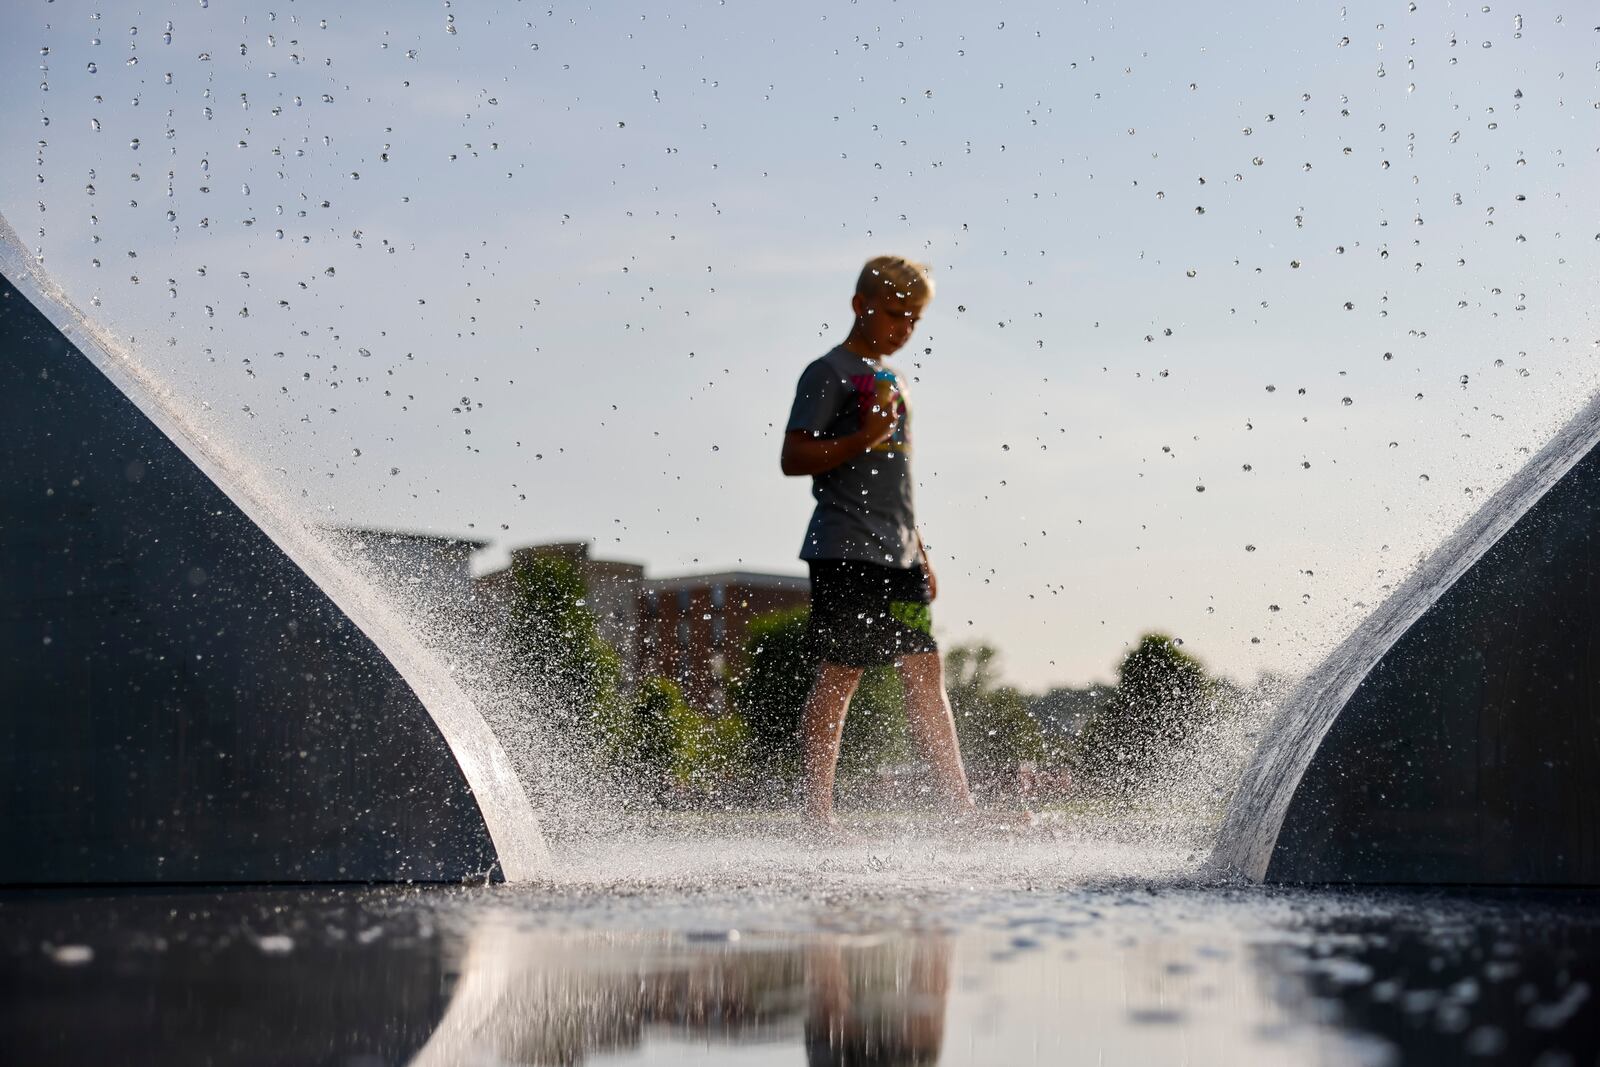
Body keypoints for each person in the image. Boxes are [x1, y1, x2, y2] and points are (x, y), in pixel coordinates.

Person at [781, 254, 977, 831]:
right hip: (845, 550)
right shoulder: (829, 374)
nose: (904, 330)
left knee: (926, 668)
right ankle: (817, 815)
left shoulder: (894, 382)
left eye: (914, 319)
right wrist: (863, 436)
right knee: (843, 673)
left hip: (899, 557)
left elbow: (895, 482)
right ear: (859, 305)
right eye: (895, 315)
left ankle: (959, 810)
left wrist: (921, 550)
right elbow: (794, 457)